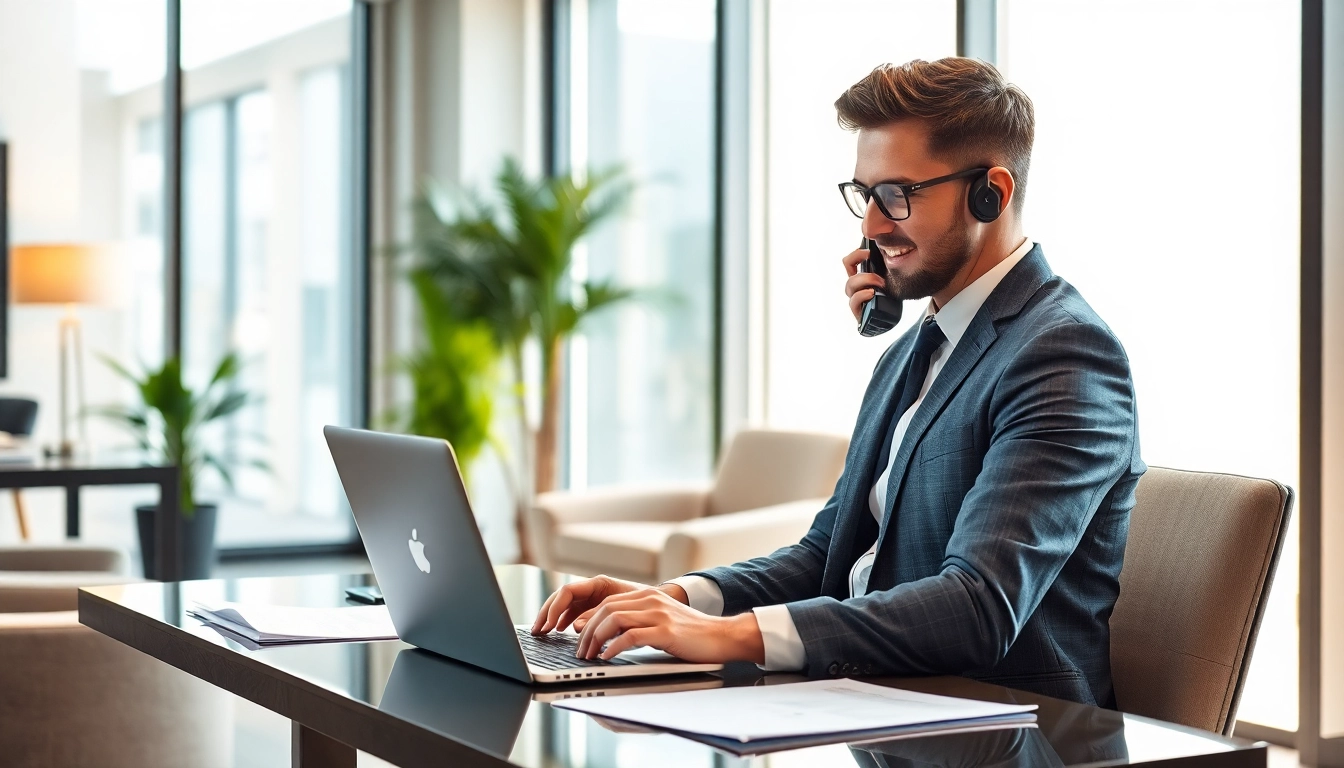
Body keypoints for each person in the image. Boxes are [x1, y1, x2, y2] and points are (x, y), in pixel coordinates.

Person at [531, 57, 1144, 708]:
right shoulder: (914, 350)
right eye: (864, 195)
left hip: (1002, 731)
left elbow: (979, 607)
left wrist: (734, 637)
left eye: (898, 195)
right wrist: (678, 599)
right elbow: (828, 555)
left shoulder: (1064, 355)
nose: (872, 228)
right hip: (875, 706)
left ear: (989, 192)